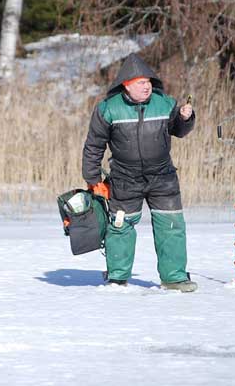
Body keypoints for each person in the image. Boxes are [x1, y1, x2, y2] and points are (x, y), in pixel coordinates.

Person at [82, 53, 198, 292]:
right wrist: (93, 179)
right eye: (140, 83)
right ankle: (117, 277)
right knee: (121, 227)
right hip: (125, 179)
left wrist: (186, 118)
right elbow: (94, 145)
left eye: (148, 82)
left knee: (171, 226)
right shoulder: (107, 109)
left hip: (163, 177)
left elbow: (179, 130)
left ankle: (175, 278)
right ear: (126, 85)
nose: (146, 86)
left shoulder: (164, 103)